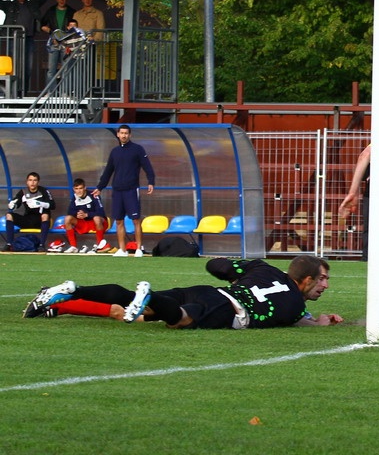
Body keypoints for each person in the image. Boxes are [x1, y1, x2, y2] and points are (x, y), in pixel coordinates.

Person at [23, 254, 344, 329]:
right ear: (304, 280)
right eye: (322, 279)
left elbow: (216, 266)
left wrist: (238, 271)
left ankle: (71, 294)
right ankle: (147, 296)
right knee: (179, 320)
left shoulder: (264, 268)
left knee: (129, 308)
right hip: (229, 310)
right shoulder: (294, 307)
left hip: (207, 289)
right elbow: (303, 319)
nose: (325, 286)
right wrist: (325, 321)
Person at [93, 124, 155, 258]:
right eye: (121, 133)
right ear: (118, 134)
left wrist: (151, 181)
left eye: (126, 133)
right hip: (117, 190)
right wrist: (100, 187)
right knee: (119, 220)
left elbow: (147, 166)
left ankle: (139, 248)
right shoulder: (114, 151)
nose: (124, 135)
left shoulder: (137, 149)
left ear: (130, 135)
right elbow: (108, 171)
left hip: (131, 189)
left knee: (136, 220)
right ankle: (122, 249)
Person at [0, 0, 51, 96]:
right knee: (15, 65)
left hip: (28, 38)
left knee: (27, 66)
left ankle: (24, 92)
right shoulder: (9, 5)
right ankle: (14, 92)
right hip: (14, 38)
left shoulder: (32, 4)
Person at [54, 177, 110, 254]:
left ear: (85, 188)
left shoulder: (94, 195)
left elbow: (101, 212)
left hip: (98, 223)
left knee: (97, 218)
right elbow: (70, 212)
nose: (79, 191)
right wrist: (77, 215)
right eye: (76, 189)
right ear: (74, 189)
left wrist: (87, 215)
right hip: (83, 223)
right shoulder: (75, 197)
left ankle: (100, 245)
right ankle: (73, 246)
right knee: (67, 219)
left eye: (80, 188)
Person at [5, 171, 55, 250]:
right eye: (30, 180)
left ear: (38, 182)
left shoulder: (43, 191)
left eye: (35, 180)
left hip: (40, 220)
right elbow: (16, 203)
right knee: (9, 215)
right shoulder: (23, 191)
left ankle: (42, 245)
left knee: (45, 215)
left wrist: (41, 204)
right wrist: (13, 205)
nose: (32, 182)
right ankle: (9, 244)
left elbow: (53, 205)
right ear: (27, 182)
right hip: (28, 219)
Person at [338, 144, 372, 261]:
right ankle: (366, 256)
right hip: (373, 194)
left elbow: (364, 155)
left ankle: (367, 257)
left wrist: (353, 192)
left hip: (377, 195)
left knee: (369, 226)